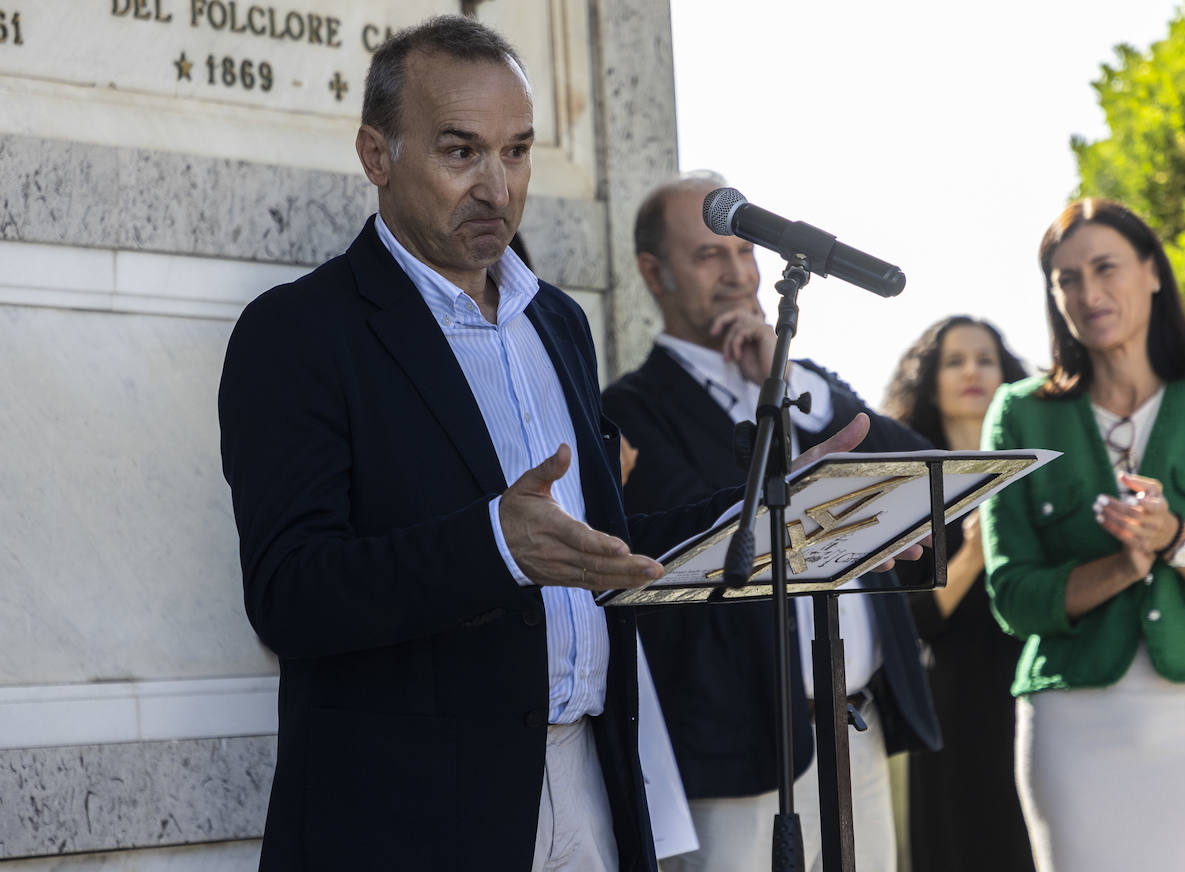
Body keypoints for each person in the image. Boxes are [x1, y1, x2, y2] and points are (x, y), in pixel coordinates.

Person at [216, 19, 889, 871]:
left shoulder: (558, 322)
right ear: (376, 155)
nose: (498, 187)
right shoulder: (300, 332)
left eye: (519, 151)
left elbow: (599, 543)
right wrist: (494, 544)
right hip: (415, 811)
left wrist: (770, 499)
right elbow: (289, 595)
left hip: (591, 781)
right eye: (461, 152)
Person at [601, 173, 942, 872]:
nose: (735, 273)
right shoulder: (630, 409)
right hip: (740, 754)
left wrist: (788, 388)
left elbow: (923, 469)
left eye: (743, 253)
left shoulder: (806, 381)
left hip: (859, 732)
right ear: (652, 272)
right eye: (707, 256)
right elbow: (695, 543)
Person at [980, 198, 1185, 872]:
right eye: (1066, 279)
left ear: (1152, 271)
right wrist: (1124, 564)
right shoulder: (1019, 414)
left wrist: (1177, 537)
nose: (1088, 293)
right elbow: (1015, 597)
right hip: (1075, 721)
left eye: (1105, 267)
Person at [882, 316, 1035, 872]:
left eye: (985, 359)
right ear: (929, 381)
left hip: (1037, 695)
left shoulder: (1038, 471)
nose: (972, 371)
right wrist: (976, 546)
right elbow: (910, 621)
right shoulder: (906, 490)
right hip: (953, 711)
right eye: (954, 361)